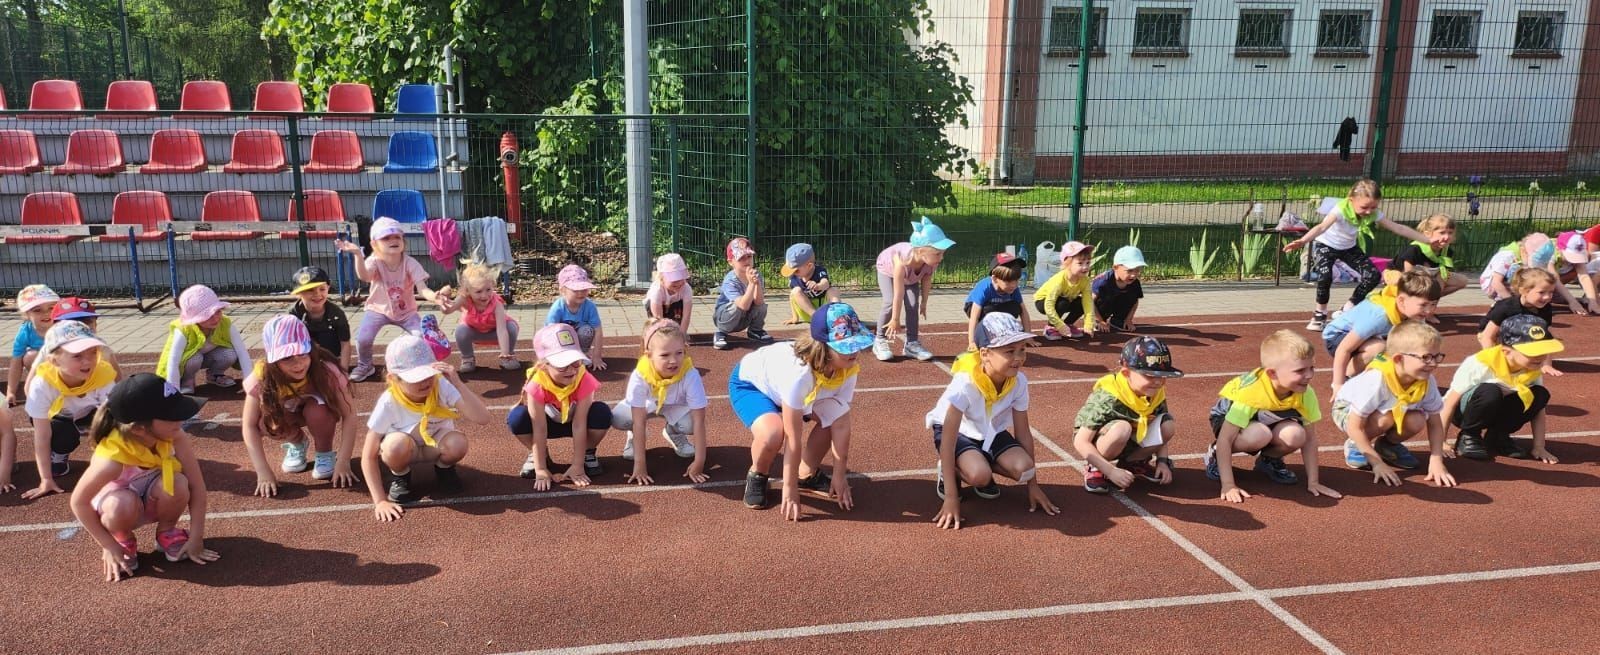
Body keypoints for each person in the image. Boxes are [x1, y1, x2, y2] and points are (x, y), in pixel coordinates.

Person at [68, 373, 218, 582]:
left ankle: (167, 532)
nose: (181, 420)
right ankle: (122, 539)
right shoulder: (110, 461)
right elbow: (78, 502)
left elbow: (197, 486)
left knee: (179, 483)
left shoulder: (175, 436)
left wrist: (196, 538)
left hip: (151, 496)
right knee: (122, 504)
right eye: (172, 416)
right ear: (139, 428)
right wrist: (108, 546)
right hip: (118, 506)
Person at [730, 302, 873, 520]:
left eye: (856, 344)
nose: (854, 351)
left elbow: (841, 422)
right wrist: (789, 488)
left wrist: (839, 475)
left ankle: (806, 474)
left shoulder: (848, 367)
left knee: (831, 418)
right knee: (773, 433)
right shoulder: (798, 375)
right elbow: (793, 438)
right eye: (846, 346)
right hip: (752, 385)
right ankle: (758, 474)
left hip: (797, 388)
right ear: (823, 346)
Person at [930, 313, 1059, 529]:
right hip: (958, 432)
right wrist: (951, 497)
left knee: (1025, 467)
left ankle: (978, 461)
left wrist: (1033, 485)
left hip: (989, 430)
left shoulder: (1018, 382)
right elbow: (949, 439)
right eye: (1009, 351)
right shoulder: (965, 384)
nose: (1018, 357)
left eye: (1022, 349)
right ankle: (950, 470)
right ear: (985, 354)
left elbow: (1023, 432)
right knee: (980, 476)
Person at [361, 335, 490, 521]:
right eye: (416, 378)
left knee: (458, 442)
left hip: (435, 446)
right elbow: (368, 454)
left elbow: (483, 418)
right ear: (393, 379)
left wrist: (458, 383)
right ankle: (401, 475)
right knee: (394, 445)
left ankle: (444, 468)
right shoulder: (389, 401)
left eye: (428, 374)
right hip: (405, 449)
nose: (425, 382)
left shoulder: (441, 385)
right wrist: (380, 501)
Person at [1284, 179, 1441, 330]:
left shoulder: (1373, 213)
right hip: (1326, 245)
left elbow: (1398, 228)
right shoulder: (1339, 210)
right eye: (1365, 207)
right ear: (1351, 200)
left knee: (1372, 275)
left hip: (1348, 247)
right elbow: (1321, 227)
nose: (1369, 212)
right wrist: (1303, 241)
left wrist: (1426, 240)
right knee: (1325, 276)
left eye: (1373, 207)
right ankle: (1320, 314)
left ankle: (1347, 308)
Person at [1204, 330, 1340, 503]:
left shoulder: (1305, 393)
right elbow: (1225, 438)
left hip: (1268, 418)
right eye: (1300, 370)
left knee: (1297, 435)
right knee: (1259, 434)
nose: (1309, 375)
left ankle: (1269, 460)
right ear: (1272, 373)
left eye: (1311, 367)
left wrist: (1313, 482)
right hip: (1227, 419)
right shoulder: (1252, 393)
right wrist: (1228, 485)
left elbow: (1310, 439)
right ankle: (1214, 455)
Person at [241, 315, 360, 497]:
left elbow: (350, 414)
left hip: (319, 411)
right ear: (273, 360)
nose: (298, 364)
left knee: (318, 411)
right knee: (264, 421)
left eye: (303, 354)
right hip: (288, 413)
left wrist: (343, 461)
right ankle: (296, 441)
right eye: (287, 358)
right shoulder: (261, 377)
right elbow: (248, 425)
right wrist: (263, 471)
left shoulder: (327, 371)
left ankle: (325, 452)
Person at [1329, 320, 1456, 488]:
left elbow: (1434, 423)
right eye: (1426, 357)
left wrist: (1436, 460)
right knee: (1385, 418)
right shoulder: (1376, 380)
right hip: (1346, 409)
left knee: (1417, 419)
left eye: (1437, 356)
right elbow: (1354, 426)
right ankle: (1356, 446)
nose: (1433, 363)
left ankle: (1388, 446)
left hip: (1387, 410)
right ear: (1398, 359)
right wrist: (1377, 464)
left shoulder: (1427, 381)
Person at [336, 216, 448, 382]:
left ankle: (421, 366)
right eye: (386, 238)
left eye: (397, 236)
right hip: (378, 309)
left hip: (406, 312)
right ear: (375, 244)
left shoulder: (410, 263)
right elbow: (365, 276)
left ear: (403, 241)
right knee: (363, 338)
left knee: (420, 337)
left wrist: (435, 297)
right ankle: (366, 365)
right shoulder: (374, 260)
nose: (393, 240)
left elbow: (423, 289)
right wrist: (358, 255)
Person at [1442, 314, 1562, 463]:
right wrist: (1441, 442)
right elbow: (1450, 402)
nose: (1540, 357)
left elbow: (1538, 408)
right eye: (1532, 352)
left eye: (1543, 351)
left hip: (1496, 410)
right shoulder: (1481, 363)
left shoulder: (1532, 367)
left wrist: (1539, 446)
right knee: (1490, 391)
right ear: (1506, 351)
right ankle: (1469, 435)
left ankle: (1498, 436)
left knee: (1539, 394)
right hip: (1465, 411)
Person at [1071, 336, 1184, 494]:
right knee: (1121, 429)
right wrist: (1110, 471)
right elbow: (1081, 441)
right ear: (1126, 373)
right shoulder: (1109, 395)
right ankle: (1096, 467)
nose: (1158, 381)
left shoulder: (1155, 392)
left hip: (1132, 438)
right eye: (1150, 375)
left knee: (1167, 424)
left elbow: (1158, 423)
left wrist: (1162, 461)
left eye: (1162, 375)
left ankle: (1133, 462)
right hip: (1104, 442)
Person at [20, 321, 118, 500]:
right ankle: (58, 454)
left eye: (92, 352)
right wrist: (45, 479)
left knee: (112, 425)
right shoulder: (42, 384)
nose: (88, 361)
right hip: (57, 417)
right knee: (63, 434)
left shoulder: (103, 375)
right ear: (54, 360)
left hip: (88, 413)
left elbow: (116, 421)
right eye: (77, 355)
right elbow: (41, 436)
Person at [509, 324, 613, 490]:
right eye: (562, 364)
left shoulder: (583, 378)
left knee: (601, 413)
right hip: (547, 425)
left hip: (576, 423)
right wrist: (540, 469)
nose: (571, 370)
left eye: (575, 362)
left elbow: (579, 424)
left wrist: (577, 466)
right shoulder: (537, 385)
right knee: (517, 418)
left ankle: (587, 452)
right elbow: (540, 428)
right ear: (544, 365)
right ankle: (538, 455)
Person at [612, 321, 708, 485]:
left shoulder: (690, 374)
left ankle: (674, 431)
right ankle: (633, 438)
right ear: (648, 354)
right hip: (647, 404)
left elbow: (700, 421)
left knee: (691, 424)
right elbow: (638, 420)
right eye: (664, 355)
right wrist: (640, 465)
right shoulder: (640, 375)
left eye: (679, 353)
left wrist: (700, 462)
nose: (673, 360)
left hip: (676, 406)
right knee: (619, 418)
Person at [1323, 271, 1440, 394]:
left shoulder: (1413, 312)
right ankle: (1348, 380)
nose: (1429, 311)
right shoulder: (1379, 316)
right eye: (1423, 305)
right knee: (1380, 349)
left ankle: (1384, 381)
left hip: (1372, 337)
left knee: (1405, 346)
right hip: (1338, 336)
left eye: (1433, 304)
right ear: (1401, 301)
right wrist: (1338, 384)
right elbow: (1344, 349)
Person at [874, 217, 953, 362]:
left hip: (910, 277)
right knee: (889, 301)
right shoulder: (902, 262)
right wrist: (895, 319)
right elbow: (898, 294)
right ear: (921, 251)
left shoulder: (931, 261)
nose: (941, 258)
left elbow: (927, 279)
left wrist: (924, 302)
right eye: (938, 253)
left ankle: (911, 343)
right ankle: (879, 339)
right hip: (888, 270)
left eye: (942, 253)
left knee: (912, 304)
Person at [159, 285, 253, 393]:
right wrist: (173, 389)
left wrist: (249, 380)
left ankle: (215, 374)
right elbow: (173, 360)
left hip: (210, 356)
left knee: (230, 353)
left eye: (217, 311)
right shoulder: (183, 329)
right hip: (188, 361)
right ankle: (187, 380)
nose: (215, 318)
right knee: (195, 358)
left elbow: (242, 351)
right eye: (208, 315)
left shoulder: (225, 323)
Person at [1478, 232, 1594, 315]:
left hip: (1516, 279)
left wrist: (1590, 300)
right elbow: (1496, 283)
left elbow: (1578, 276)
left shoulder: (1545, 250)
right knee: (1528, 274)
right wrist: (1513, 305)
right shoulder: (1508, 255)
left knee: (1538, 279)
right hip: (1493, 286)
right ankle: (1505, 302)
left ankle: (1525, 300)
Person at [441, 256, 519, 373]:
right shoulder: (464, 299)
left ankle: (508, 356)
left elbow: (502, 330)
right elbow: (447, 310)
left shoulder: (497, 305)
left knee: (511, 327)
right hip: (474, 333)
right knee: (460, 331)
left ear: (493, 285)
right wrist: (443, 298)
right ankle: (468, 358)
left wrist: (504, 352)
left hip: (494, 333)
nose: (484, 295)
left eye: (488, 289)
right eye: (478, 291)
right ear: (468, 291)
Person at [1477, 268, 1561, 377]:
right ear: (1523, 291)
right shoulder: (1506, 307)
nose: (1547, 297)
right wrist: (1494, 361)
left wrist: (1546, 364)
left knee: (1542, 336)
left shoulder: (1545, 308)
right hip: (1495, 335)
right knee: (1507, 360)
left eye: (1551, 292)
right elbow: (1487, 336)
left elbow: (1546, 337)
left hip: (1520, 333)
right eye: (1541, 292)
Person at [1391, 213, 1470, 302]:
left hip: (1423, 279)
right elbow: (1408, 277)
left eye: (1450, 233)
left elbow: (1442, 276)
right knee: (1398, 279)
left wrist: (1435, 294)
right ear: (1427, 234)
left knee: (1462, 281)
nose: (1447, 237)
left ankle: (1428, 304)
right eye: (1442, 233)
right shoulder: (1415, 250)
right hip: (1402, 279)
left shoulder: (1446, 251)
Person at [712, 238, 773, 351]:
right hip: (725, 317)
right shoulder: (730, 280)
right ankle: (721, 333)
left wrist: (756, 283)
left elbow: (759, 302)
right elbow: (742, 305)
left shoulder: (756, 275)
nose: (747, 261)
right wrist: (751, 284)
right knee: (736, 306)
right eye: (741, 258)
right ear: (731, 262)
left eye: (749, 256)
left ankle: (755, 330)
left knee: (762, 305)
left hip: (744, 316)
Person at [288, 266, 352, 371]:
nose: (317, 294)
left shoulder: (336, 314)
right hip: (304, 357)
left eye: (322, 289)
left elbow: (345, 343)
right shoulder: (293, 315)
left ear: (328, 288)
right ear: (298, 293)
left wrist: (343, 371)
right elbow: (288, 344)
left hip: (331, 356)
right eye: (310, 290)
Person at [963, 253, 1031, 352]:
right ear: (995, 279)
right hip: (977, 308)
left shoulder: (1013, 289)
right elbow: (974, 316)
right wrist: (972, 342)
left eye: (1016, 281)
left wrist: (1028, 335)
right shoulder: (985, 287)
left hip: (998, 306)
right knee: (989, 311)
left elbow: (1023, 312)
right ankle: (984, 333)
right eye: (1008, 282)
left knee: (1015, 307)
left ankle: (1003, 330)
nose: (1014, 285)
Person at [546, 264, 607, 370]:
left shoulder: (590, 306)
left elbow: (598, 331)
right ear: (563, 290)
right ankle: (564, 355)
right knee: (559, 331)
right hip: (561, 340)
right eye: (575, 290)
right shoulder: (558, 307)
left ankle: (581, 354)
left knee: (587, 330)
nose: (580, 293)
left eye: (584, 289)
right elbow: (549, 332)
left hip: (579, 337)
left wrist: (597, 357)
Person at [1033, 242, 1098, 340]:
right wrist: (1059, 325)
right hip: (1043, 301)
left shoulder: (1085, 280)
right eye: (1080, 263)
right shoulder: (1059, 280)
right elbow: (1049, 304)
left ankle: (1068, 324)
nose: (1085, 267)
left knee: (1081, 302)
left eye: (1088, 263)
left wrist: (1089, 324)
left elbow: (1088, 302)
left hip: (1065, 300)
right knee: (1063, 302)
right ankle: (1051, 327)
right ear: (1067, 264)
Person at [7, 284, 57, 409]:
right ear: (27, 314)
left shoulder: (62, 325)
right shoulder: (25, 332)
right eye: (37, 310)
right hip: (41, 369)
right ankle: (39, 390)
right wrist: (11, 391)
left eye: (51, 308)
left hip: (65, 366)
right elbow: (16, 362)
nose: (46, 313)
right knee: (30, 357)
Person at [1091, 246, 1147, 333]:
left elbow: (1135, 302)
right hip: (1100, 309)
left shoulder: (1135, 283)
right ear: (1115, 267)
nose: (1133, 275)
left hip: (1117, 303)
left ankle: (1118, 320)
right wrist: (1100, 320)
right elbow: (1090, 301)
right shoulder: (1104, 281)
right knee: (1102, 299)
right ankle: (1096, 320)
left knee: (1131, 297)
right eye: (1129, 271)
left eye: (1137, 270)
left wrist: (1128, 319)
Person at [783, 243, 838, 324]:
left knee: (833, 290)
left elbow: (825, 283)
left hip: (825, 309)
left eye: (796, 270)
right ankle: (817, 318)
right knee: (795, 291)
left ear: (809, 266)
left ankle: (837, 315)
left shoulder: (819, 271)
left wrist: (818, 286)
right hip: (809, 313)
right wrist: (795, 317)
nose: (794, 273)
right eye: (791, 271)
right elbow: (792, 298)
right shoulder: (794, 278)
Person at [644, 253, 694, 333]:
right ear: (661, 278)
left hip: (675, 307)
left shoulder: (686, 289)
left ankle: (676, 331)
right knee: (658, 326)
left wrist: (682, 335)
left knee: (675, 328)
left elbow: (686, 316)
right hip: (658, 308)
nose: (678, 283)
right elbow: (658, 317)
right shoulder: (657, 290)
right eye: (673, 278)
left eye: (681, 277)